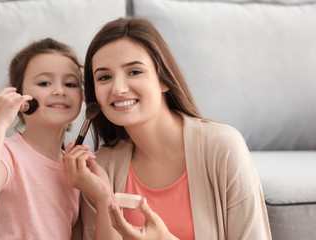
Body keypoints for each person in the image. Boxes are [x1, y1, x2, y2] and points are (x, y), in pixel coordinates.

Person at [63, 17, 272, 240]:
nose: (119, 88)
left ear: (164, 80)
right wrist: (103, 197)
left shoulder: (222, 147)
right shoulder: (100, 168)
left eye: (134, 72)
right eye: (104, 77)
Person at [0, 38, 89, 239]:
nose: (60, 90)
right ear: (20, 96)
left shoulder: (75, 168)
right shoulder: (8, 153)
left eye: (70, 83)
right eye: (44, 83)